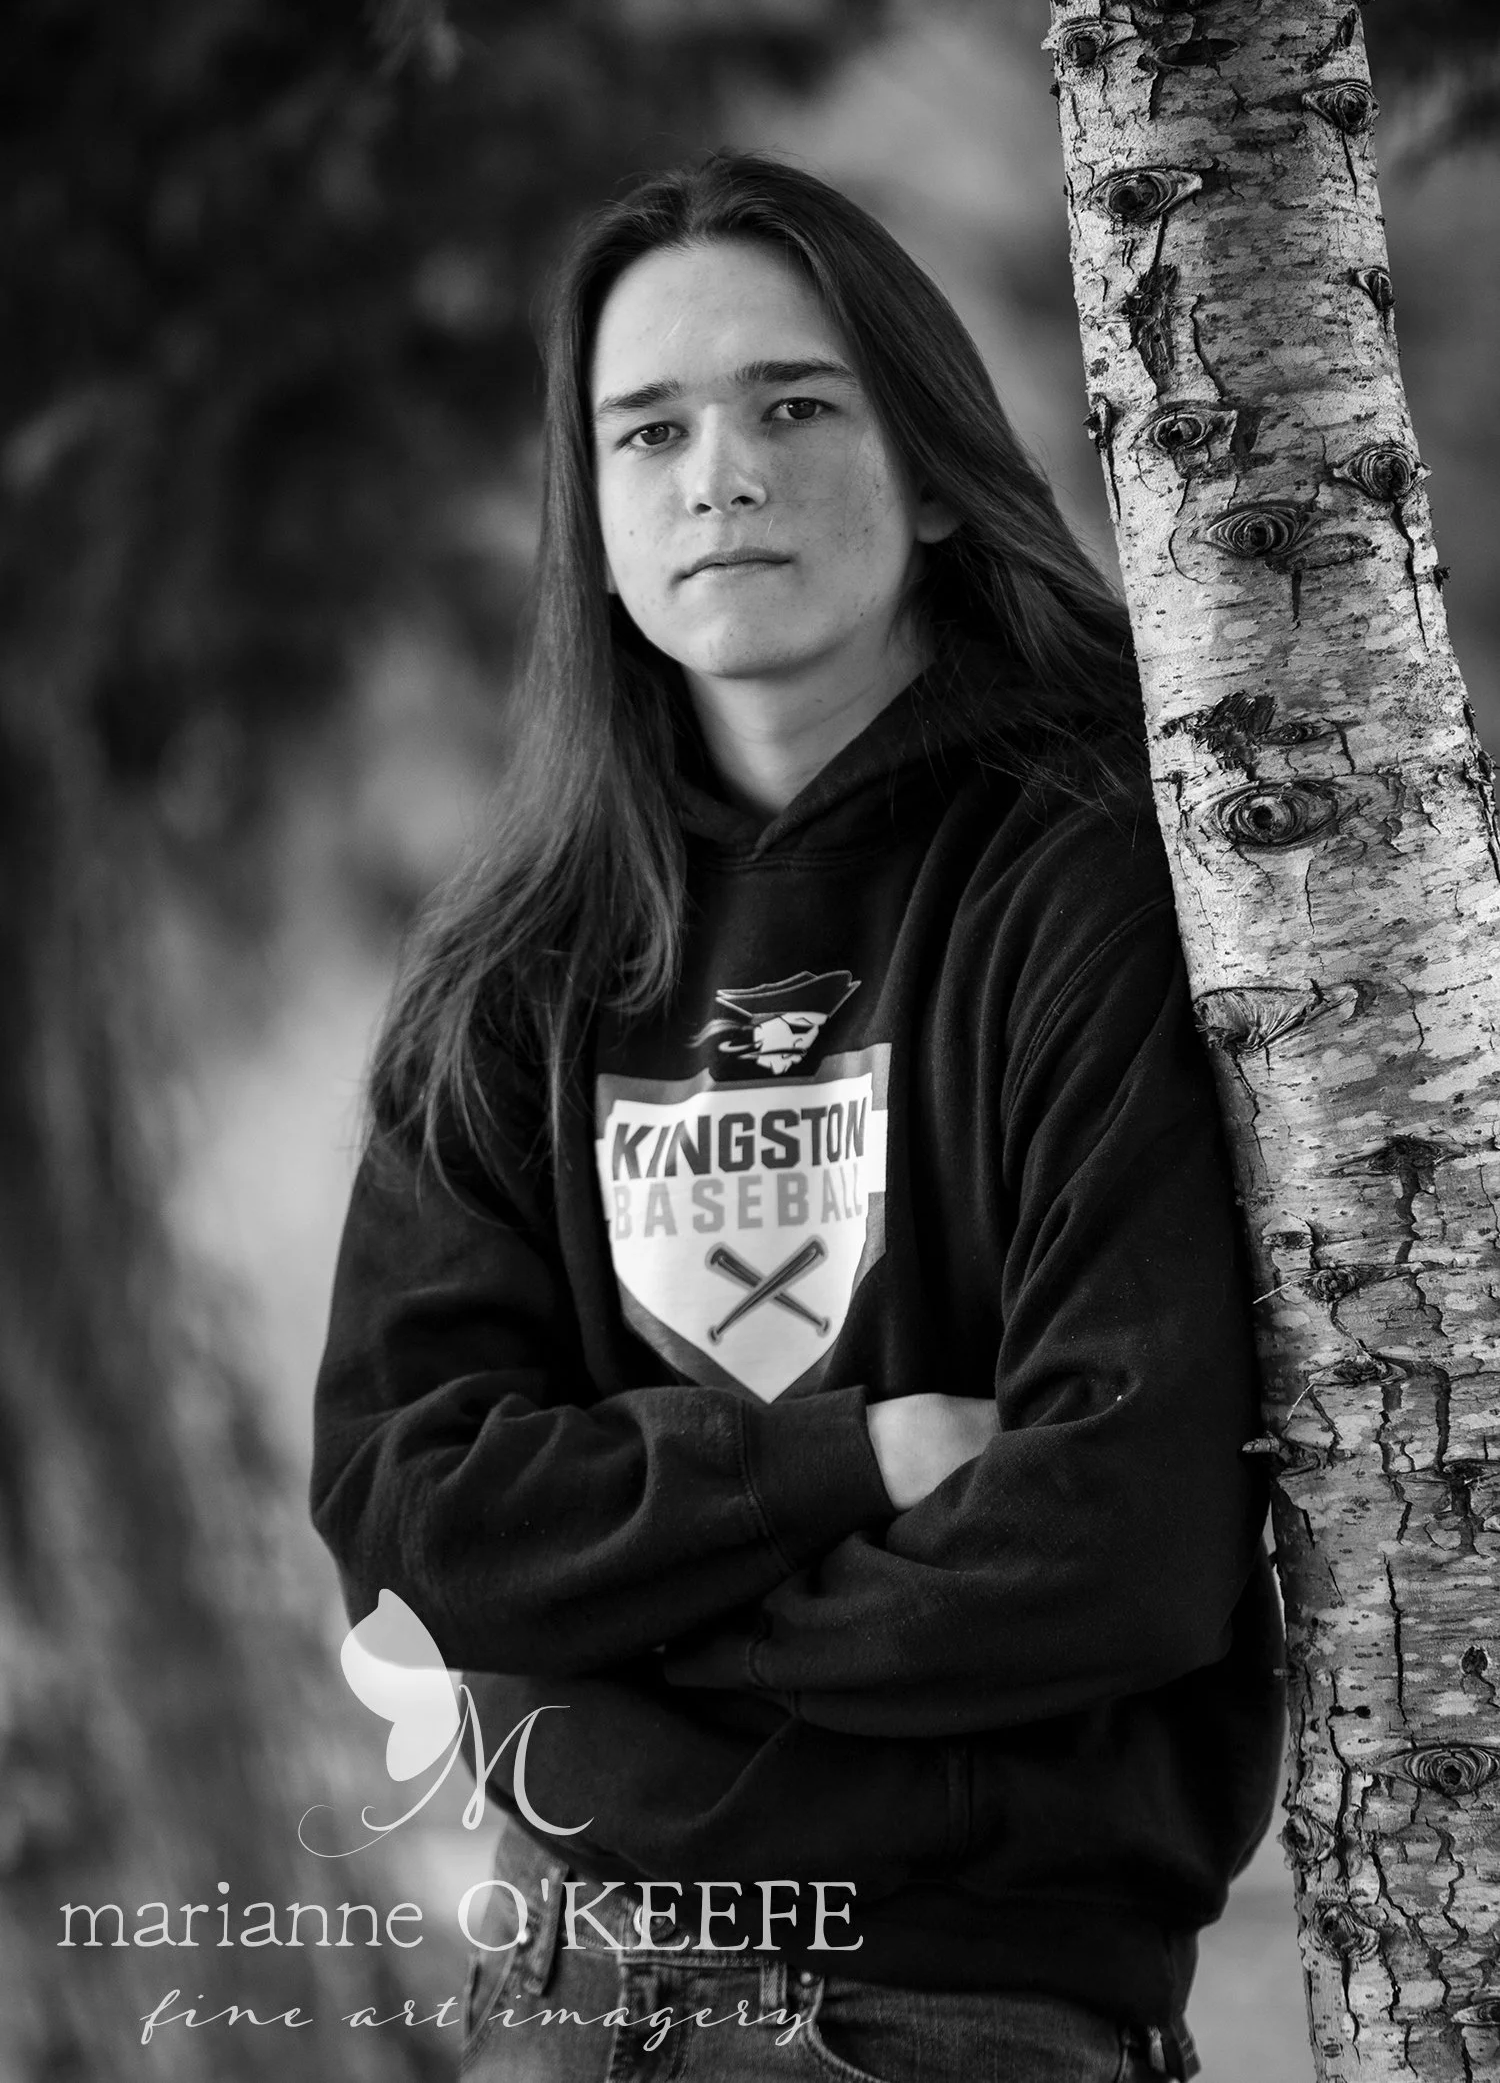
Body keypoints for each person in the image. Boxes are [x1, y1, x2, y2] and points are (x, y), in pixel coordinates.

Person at [310, 151, 1284, 2082]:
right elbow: (410, 1529)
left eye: (795, 406)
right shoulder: (518, 960)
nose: (720, 476)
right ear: (595, 520)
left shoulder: (1101, 879)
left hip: (947, 2008)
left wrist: (619, 1629)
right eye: (649, 429)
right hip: (563, 1996)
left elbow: (1124, 1536)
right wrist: (851, 1462)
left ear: (930, 471)